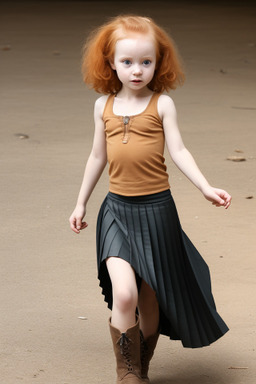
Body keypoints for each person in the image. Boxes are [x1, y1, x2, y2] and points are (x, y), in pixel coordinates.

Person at [69, 14, 232, 384]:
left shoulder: (162, 105)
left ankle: (140, 364)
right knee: (123, 294)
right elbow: (98, 156)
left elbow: (179, 151)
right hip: (116, 211)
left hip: (157, 212)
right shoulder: (103, 107)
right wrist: (81, 203)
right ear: (110, 62)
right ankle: (127, 372)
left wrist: (206, 187)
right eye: (127, 62)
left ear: (159, 62)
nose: (137, 70)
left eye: (146, 61)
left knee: (150, 298)